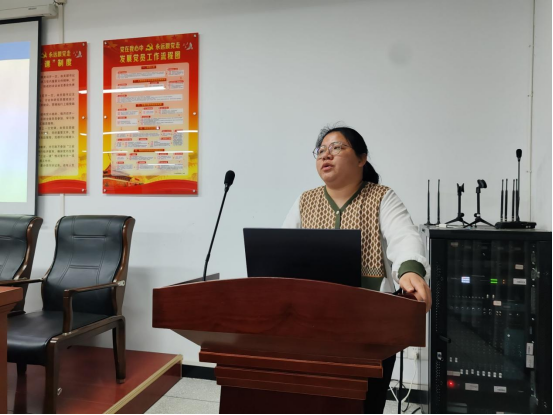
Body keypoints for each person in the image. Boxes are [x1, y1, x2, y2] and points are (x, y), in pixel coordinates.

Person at [282, 125, 431, 414]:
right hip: (312, 323)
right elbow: (283, 250)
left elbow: (404, 237)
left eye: (337, 148)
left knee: (364, 404)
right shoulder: (305, 200)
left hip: (371, 325)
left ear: (362, 158)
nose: (326, 155)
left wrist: (410, 271)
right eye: (321, 150)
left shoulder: (381, 197)